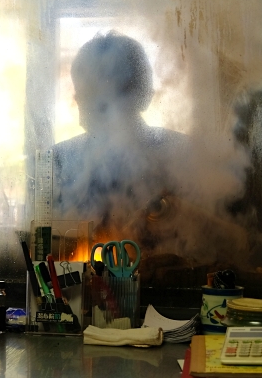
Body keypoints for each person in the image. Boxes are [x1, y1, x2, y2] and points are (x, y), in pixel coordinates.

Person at [53, 31, 185, 234]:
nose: (79, 105)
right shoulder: (57, 162)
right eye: (80, 95)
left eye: (95, 98)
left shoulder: (183, 158)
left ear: (141, 96)